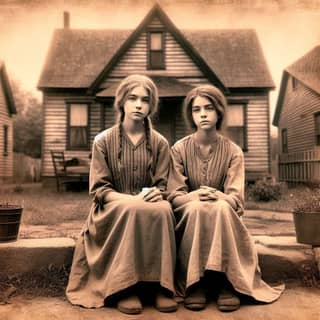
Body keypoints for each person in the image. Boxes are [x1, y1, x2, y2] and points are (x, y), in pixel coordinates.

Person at [66, 74, 178, 314]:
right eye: (132, 98)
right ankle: (125, 288)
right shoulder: (103, 141)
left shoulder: (160, 143)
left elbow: (162, 185)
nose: (138, 105)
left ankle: (160, 286)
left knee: (164, 210)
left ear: (151, 106)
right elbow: (99, 190)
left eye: (145, 100)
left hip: (147, 205)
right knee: (132, 208)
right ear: (121, 102)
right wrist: (130, 200)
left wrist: (158, 193)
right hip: (111, 208)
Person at [167, 85, 284, 312]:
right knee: (198, 209)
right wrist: (195, 196)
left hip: (224, 213)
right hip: (189, 215)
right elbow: (175, 196)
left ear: (219, 111)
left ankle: (224, 282)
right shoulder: (179, 149)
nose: (202, 114)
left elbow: (236, 200)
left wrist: (219, 195)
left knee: (220, 208)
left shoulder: (233, 151)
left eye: (209, 108)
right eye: (196, 109)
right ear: (190, 115)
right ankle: (196, 282)